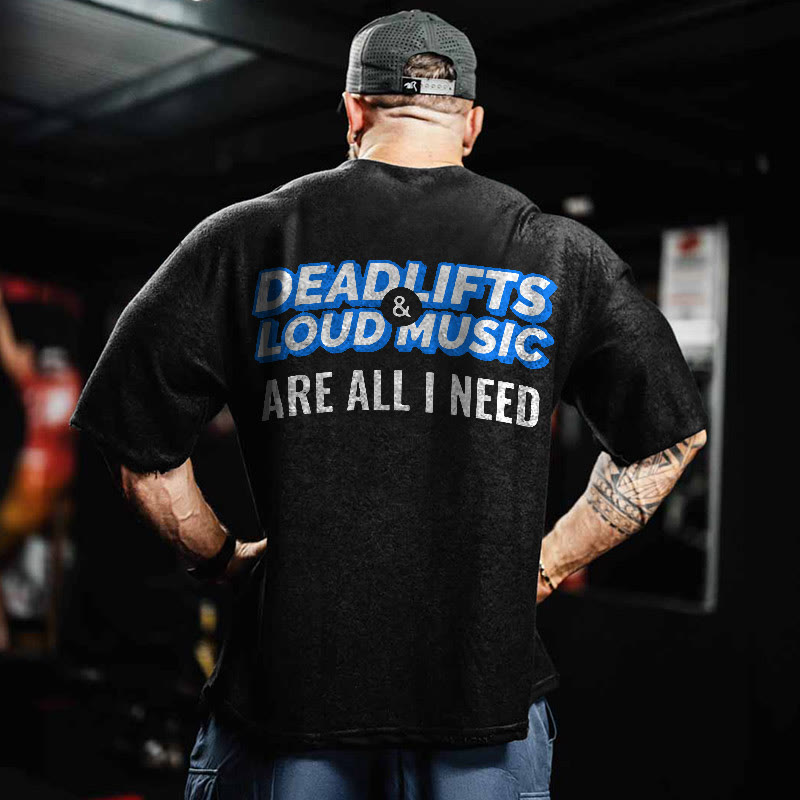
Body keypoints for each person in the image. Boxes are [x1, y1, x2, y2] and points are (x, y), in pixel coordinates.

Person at [69, 9, 708, 799]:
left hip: (288, 703)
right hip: (482, 710)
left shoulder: (245, 239)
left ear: (353, 110)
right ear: (471, 124)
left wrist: (221, 557)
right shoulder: (559, 254)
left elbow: (137, 445)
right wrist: (547, 565)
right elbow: (669, 437)